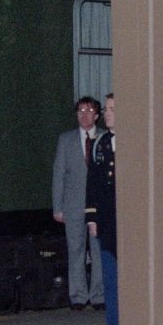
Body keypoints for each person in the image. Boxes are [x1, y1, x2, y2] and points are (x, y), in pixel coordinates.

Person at [52, 95, 104, 310]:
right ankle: (78, 297)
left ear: (97, 115)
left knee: (99, 252)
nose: (84, 115)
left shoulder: (106, 138)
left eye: (89, 111)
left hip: (100, 207)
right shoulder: (66, 140)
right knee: (76, 251)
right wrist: (58, 207)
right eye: (80, 111)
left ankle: (99, 295)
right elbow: (59, 174)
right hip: (73, 207)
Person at [85, 94, 119, 325]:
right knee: (110, 279)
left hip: (130, 222)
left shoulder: (137, 143)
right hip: (107, 221)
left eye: (111, 109)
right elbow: (93, 185)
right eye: (106, 109)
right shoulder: (100, 143)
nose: (106, 113)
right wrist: (92, 218)